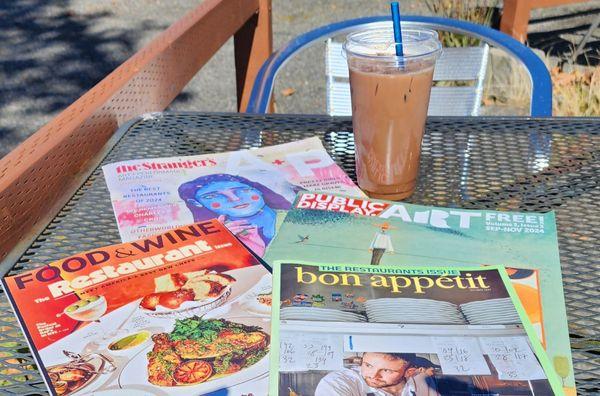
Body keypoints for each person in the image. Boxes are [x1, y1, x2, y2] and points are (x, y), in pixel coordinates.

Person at [178, 174, 290, 256]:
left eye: (243, 190)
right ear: (196, 203)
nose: (235, 198)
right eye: (212, 196)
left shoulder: (294, 217)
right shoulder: (214, 238)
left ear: (258, 190)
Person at [315, 352, 439, 396]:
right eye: (368, 365)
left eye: (386, 370)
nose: (373, 376)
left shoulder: (421, 382)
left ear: (408, 372)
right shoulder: (338, 382)